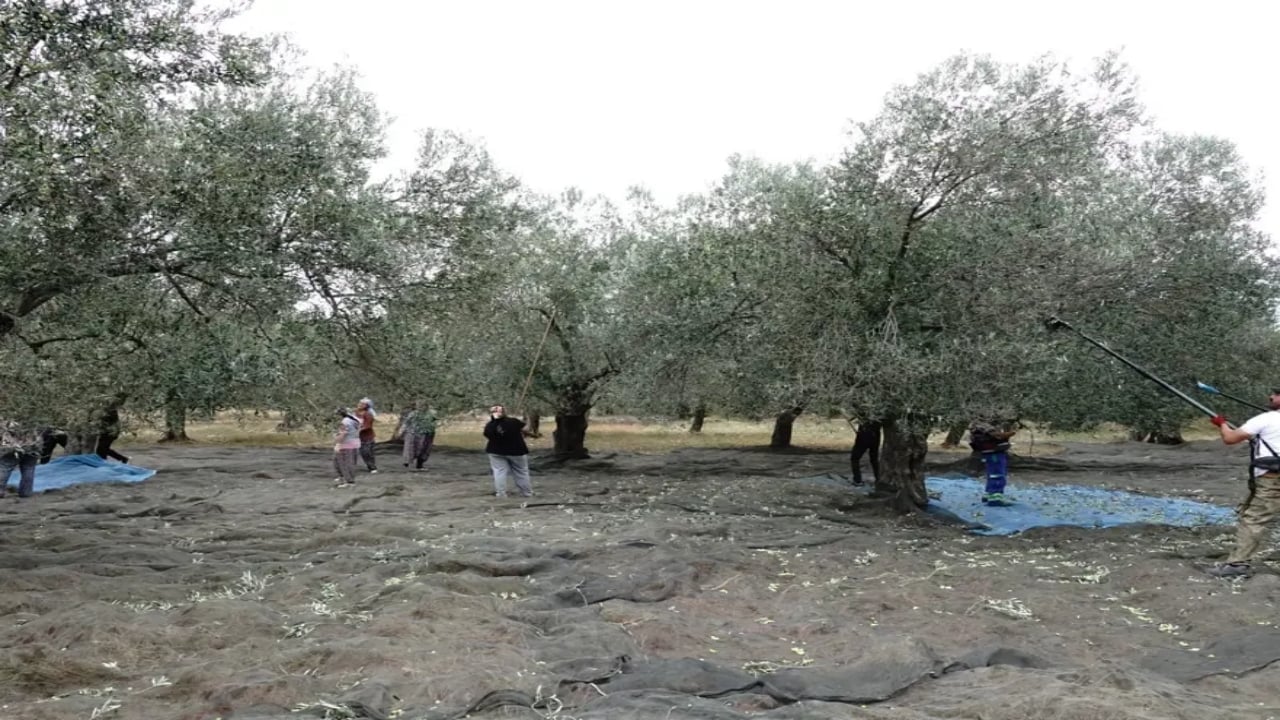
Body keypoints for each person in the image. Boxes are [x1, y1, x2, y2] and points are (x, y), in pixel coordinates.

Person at [1206, 390, 1280, 578]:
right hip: (1269, 478)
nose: (1270, 397)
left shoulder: (1266, 419)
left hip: (1271, 479)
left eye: (1276, 394)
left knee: (1253, 519)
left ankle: (1238, 564)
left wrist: (1221, 424)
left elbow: (1230, 439)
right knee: (1249, 513)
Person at [483, 404, 531, 498]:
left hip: (495, 452)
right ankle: (526, 493)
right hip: (516, 451)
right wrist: (527, 419)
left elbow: (490, 435)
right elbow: (526, 429)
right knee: (521, 472)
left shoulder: (489, 426)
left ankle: (501, 494)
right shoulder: (513, 421)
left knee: (499, 472)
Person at [970, 417, 1017, 506]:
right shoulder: (985, 426)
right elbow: (997, 435)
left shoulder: (975, 426)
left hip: (987, 453)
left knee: (991, 473)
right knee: (997, 473)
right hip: (995, 453)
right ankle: (996, 496)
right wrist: (1011, 433)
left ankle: (989, 493)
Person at [1, 418, 44, 499]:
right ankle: (26, 492)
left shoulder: (9, 416)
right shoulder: (35, 415)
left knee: (4, 467)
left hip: (13, 446)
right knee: (29, 468)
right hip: (33, 445)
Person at [400, 400, 438, 471]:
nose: (422, 407)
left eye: (423, 405)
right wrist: (403, 431)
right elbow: (407, 422)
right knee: (411, 448)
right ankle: (408, 463)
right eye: (420, 405)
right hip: (413, 434)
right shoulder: (413, 414)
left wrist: (432, 429)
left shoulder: (431, 413)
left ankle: (420, 464)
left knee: (424, 449)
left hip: (427, 434)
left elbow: (435, 422)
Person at [95, 394, 130, 463]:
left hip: (110, 432)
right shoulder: (109, 409)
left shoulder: (109, 410)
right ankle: (122, 459)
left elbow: (105, 421)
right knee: (103, 449)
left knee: (102, 449)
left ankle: (121, 459)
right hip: (109, 432)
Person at [333, 407, 362, 487]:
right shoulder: (354, 420)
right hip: (355, 443)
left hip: (346, 444)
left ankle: (348, 481)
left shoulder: (344, 422)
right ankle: (347, 479)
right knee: (351, 462)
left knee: (344, 463)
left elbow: (343, 434)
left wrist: (338, 443)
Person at [849, 420, 882, 486]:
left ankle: (857, 480)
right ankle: (878, 479)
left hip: (865, 433)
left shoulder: (867, 413)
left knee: (855, 458)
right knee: (874, 459)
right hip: (876, 434)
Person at [355, 397, 378, 474]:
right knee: (363, 452)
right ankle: (370, 466)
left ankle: (372, 467)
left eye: (362, 404)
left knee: (367, 452)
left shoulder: (368, 414)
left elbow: (367, 426)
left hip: (368, 437)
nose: (360, 405)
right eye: (359, 403)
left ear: (366, 406)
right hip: (359, 437)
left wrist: (358, 430)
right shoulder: (356, 413)